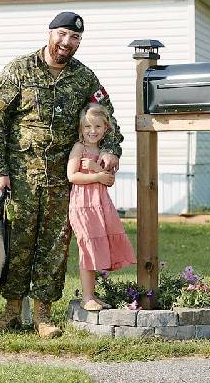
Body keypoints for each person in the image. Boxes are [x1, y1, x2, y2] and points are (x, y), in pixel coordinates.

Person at [0, 11, 123, 338]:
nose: (67, 42)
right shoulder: (18, 70)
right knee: (17, 242)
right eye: (62, 34)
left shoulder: (84, 78)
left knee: (54, 245)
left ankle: (42, 314)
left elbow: (108, 117)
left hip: (64, 178)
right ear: (50, 33)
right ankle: (11, 310)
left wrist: (110, 149)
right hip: (21, 176)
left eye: (74, 37)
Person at [67, 103, 135, 312]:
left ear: (105, 128)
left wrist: (96, 169)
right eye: (87, 127)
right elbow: (72, 176)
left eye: (97, 126)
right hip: (82, 204)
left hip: (100, 204)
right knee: (87, 248)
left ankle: (92, 295)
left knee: (96, 248)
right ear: (81, 129)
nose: (92, 131)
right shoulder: (79, 148)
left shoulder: (104, 153)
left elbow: (109, 180)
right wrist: (96, 175)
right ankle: (87, 297)